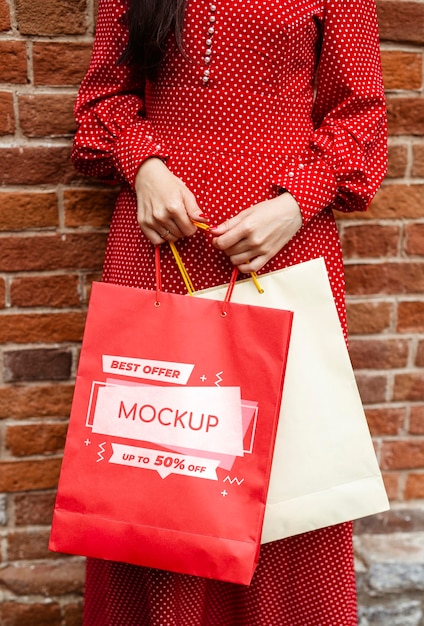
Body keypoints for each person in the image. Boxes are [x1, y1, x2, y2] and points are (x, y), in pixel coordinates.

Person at [72, 0, 387, 623]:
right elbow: (102, 97)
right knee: (153, 472)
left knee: (289, 475)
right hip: (159, 249)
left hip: (282, 253)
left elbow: (362, 116)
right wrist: (145, 166)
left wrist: (298, 202)